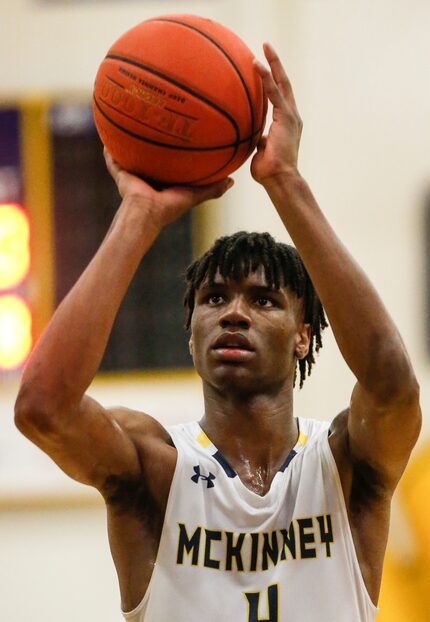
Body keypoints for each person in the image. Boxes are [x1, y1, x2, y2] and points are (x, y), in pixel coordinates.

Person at [14, 43, 421, 622]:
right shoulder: (152, 465)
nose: (234, 313)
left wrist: (283, 180)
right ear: (190, 335)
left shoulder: (344, 465)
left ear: (304, 336)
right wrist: (138, 212)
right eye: (214, 298)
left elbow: (391, 382)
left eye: (264, 300)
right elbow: (42, 409)